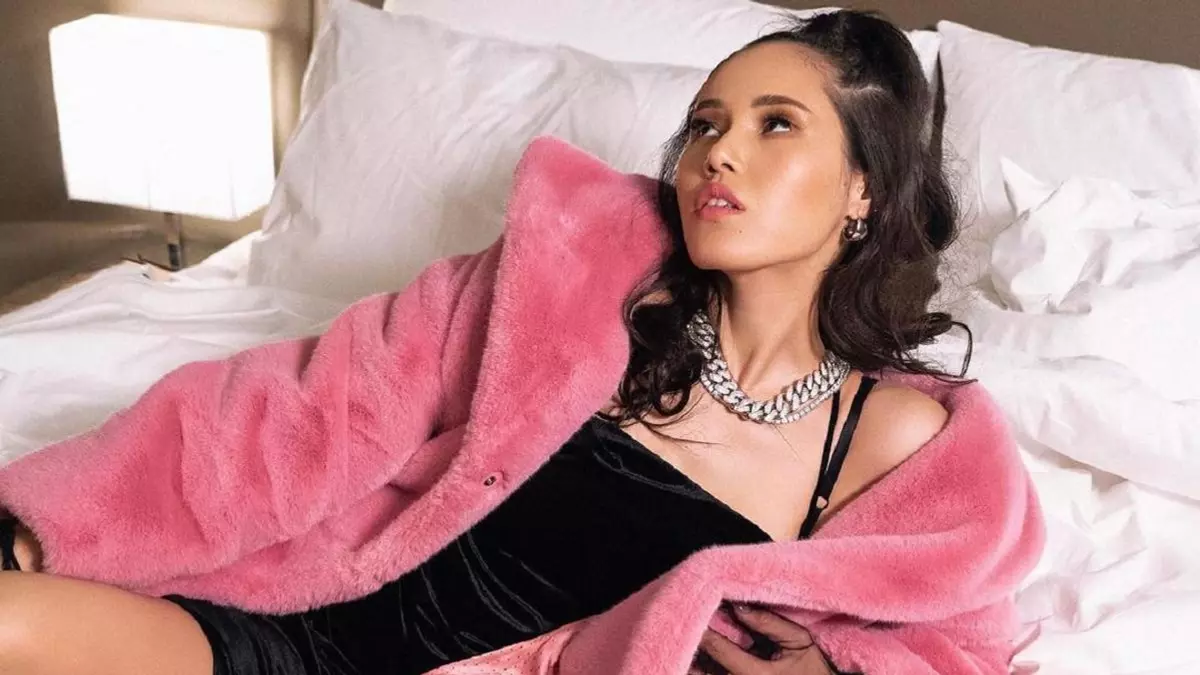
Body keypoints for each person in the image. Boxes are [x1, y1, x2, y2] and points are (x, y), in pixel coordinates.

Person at [0, 9, 1000, 675]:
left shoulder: (896, 441)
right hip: (290, 633)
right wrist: (46, 526)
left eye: (776, 125)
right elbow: (300, 410)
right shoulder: (570, 282)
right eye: (704, 125)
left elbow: (954, 635)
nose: (718, 153)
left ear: (864, 188)